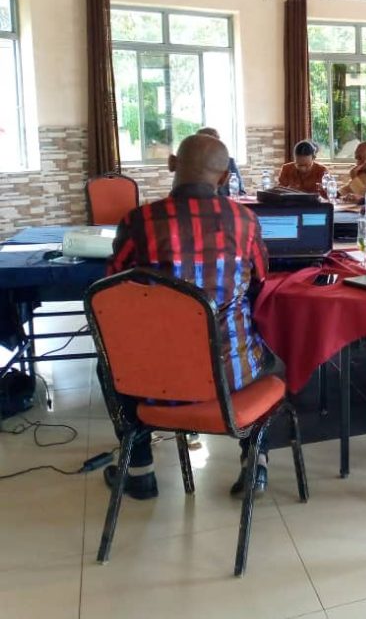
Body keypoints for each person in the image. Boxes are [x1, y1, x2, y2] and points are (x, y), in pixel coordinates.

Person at [105, 133, 273, 500]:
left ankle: (140, 470)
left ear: (171, 165)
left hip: (153, 377)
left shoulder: (138, 221)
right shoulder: (246, 221)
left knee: (110, 366)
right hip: (234, 375)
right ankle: (255, 461)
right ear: (225, 177)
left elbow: (113, 287)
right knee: (267, 354)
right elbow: (261, 279)